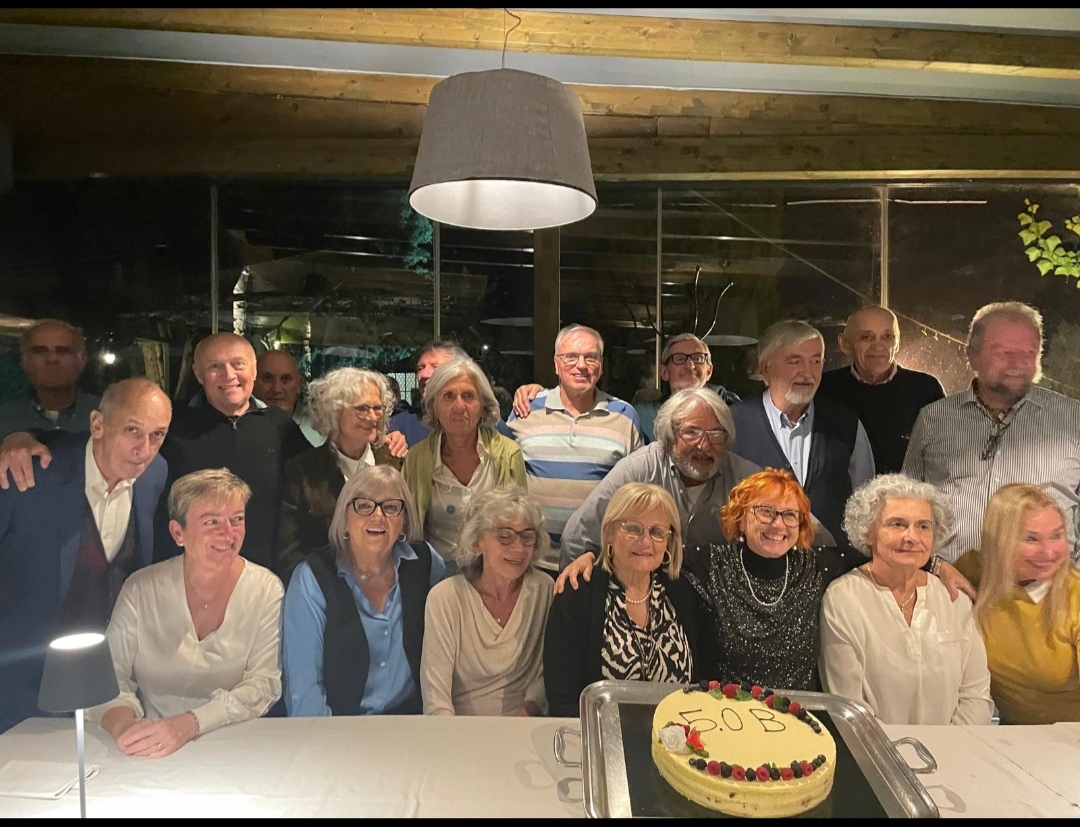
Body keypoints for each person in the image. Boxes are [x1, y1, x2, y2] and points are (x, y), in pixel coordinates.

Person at [0, 332, 312, 572]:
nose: (228, 375)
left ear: (253, 371)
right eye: (215, 366)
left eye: (238, 364)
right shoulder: (173, 422)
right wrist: (23, 437)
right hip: (179, 578)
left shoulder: (281, 427)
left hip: (263, 576)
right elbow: (95, 440)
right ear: (198, 374)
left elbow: (317, 473)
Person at [0, 378, 171, 733]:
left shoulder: (155, 474)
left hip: (106, 679)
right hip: (21, 679)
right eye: (132, 430)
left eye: (157, 435)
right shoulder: (29, 476)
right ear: (97, 424)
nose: (144, 449)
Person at [90, 468, 284, 757]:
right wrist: (126, 730)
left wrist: (190, 724)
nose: (228, 533)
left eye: (237, 519)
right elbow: (107, 680)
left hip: (235, 749)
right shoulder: (141, 589)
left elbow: (263, 684)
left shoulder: (266, 588)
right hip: (149, 748)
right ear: (177, 532)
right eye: (211, 521)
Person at [903, 301, 1080, 562]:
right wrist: (934, 567)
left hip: (1049, 584)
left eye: (1029, 352)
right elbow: (907, 506)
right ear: (971, 355)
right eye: (1004, 352)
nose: (1017, 363)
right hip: (952, 581)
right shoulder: (934, 419)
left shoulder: (1073, 419)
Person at [821, 474, 993, 725]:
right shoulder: (844, 599)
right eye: (897, 524)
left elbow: (975, 694)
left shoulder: (953, 596)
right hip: (876, 747)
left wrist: (952, 744)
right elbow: (850, 707)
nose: (911, 537)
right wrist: (899, 749)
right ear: (868, 532)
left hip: (958, 745)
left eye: (923, 526)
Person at [282, 465, 446, 716]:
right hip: (338, 728)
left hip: (412, 724)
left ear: (404, 521)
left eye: (391, 507)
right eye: (364, 505)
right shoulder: (312, 579)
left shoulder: (426, 563)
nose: (378, 516)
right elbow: (304, 693)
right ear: (344, 518)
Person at [543, 483, 706, 718]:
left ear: (669, 542)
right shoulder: (578, 594)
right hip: (601, 735)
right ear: (609, 533)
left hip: (678, 734)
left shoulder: (683, 591)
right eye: (633, 528)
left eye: (657, 532)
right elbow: (562, 698)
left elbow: (700, 683)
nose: (646, 541)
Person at [558, 388, 760, 572]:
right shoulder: (637, 471)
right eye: (692, 432)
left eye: (715, 434)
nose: (704, 446)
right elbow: (577, 538)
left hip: (716, 596)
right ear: (669, 435)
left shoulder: (746, 480)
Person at [503, 324, 643, 572]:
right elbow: (503, 476)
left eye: (591, 357)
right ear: (556, 364)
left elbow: (636, 491)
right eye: (570, 356)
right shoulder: (526, 409)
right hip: (532, 561)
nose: (581, 365)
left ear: (601, 365)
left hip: (597, 563)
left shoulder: (624, 416)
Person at [729, 319, 875, 546]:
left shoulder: (845, 423)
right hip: (754, 561)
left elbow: (867, 501)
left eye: (815, 361)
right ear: (765, 369)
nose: (807, 372)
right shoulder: (732, 424)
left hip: (832, 562)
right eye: (794, 361)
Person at [420, 486, 552, 716]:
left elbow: (546, 674)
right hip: (459, 730)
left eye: (527, 536)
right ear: (477, 541)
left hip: (526, 726)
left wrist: (525, 715)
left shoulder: (544, 589)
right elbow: (436, 698)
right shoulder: (445, 598)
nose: (519, 548)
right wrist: (452, 736)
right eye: (505, 536)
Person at [955, 484, 1080, 724]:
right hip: (1010, 736)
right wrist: (938, 566)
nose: (1049, 552)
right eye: (1031, 539)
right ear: (999, 541)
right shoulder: (973, 570)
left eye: (1057, 535)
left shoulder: (1075, 596)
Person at [276, 367, 402, 581]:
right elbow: (288, 555)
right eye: (362, 409)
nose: (373, 417)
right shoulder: (303, 470)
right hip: (328, 588)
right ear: (333, 412)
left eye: (377, 408)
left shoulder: (395, 461)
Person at [402, 358, 526, 569]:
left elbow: (521, 525)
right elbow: (408, 528)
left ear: (483, 406)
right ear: (434, 406)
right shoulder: (417, 458)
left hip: (493, 573)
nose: (459, 406)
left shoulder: (508, 454)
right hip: (434, 574)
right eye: (448, 396)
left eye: (468, 396)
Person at [818, 306, 945, 474]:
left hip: (908, 490)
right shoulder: (824, 389)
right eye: (866, 337)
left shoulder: (926, 388)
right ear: (845, 344)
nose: (878, 346)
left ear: (897, 343)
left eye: (887, 336)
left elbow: (945, 455)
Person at [632, 334, 740, 443]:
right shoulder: (641, 415)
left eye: (698, 358)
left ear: (709, 371)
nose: (690, 365)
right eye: (680, 358)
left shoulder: (730, 414)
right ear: (664, 372)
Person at [0, 318, 99, 438]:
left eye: (63, 351)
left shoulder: (110, 414)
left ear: (82, 359)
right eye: (40, 351)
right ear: (24, 361)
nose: (52, 359)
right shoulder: (4, 419)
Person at [387, 340, 468, 447]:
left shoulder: (479, 422)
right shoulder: (401, 424)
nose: (424, 374)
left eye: (435, 366)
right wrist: (385, 442)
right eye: (421, 368)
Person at [254, 348, 324, 446]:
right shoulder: (237, 427)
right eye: (267, 378)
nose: (276, 389)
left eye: (285, 379)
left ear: (299, 384)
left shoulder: (320, 433)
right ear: (253, 382)